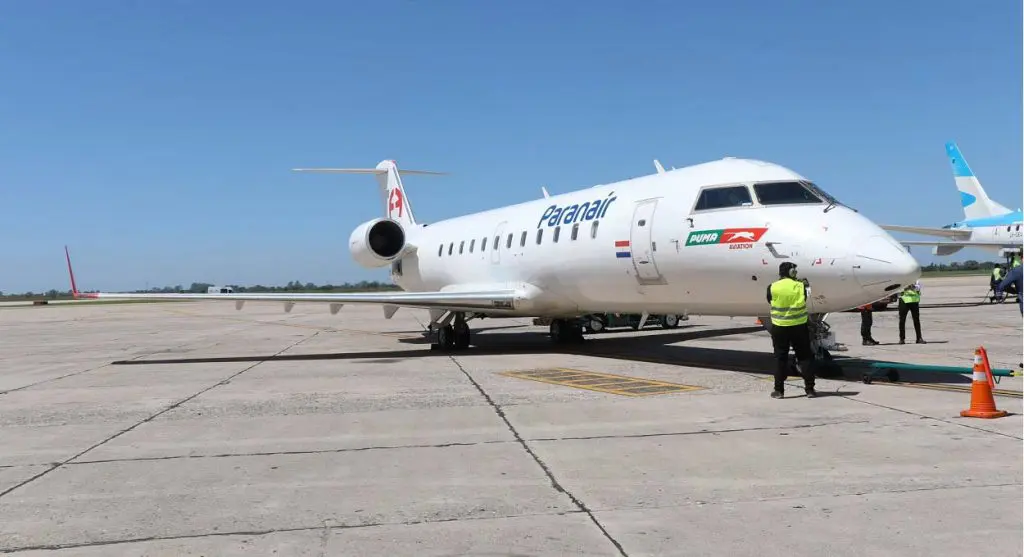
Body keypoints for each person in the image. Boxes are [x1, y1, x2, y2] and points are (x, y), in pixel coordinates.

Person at [766, 262, 816, 399]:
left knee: (780, 358)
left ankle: (779, 391)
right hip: (799, 326)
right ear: (792, 272)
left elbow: (770, 300)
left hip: (780, 326)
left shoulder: (772, 287)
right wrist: (804, 285)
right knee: (805, 357)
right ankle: (810, 389)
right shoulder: (800, 286)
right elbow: (804, 298)